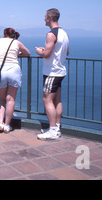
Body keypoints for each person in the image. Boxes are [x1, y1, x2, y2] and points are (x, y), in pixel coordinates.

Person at [35, 8, 70, 140]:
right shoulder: (64, 33)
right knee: (57, 100)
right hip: (60, 71)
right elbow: (66, 52)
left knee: (47, 99)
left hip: (51, 72)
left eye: (45, 16)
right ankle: (57, 127)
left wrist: (40, 51)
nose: (44, 19)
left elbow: (47, 54)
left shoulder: (51, 34)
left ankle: (53, 131)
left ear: (49, 17)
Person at [0, 28, 30, 133]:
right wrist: (17, 54)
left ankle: (0, 123)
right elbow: (27, 53)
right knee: (10, 100)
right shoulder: (17, 42)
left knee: (2, 99)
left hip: (0, 70)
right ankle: (7, 125)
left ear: (4, 34)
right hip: (14, 70)